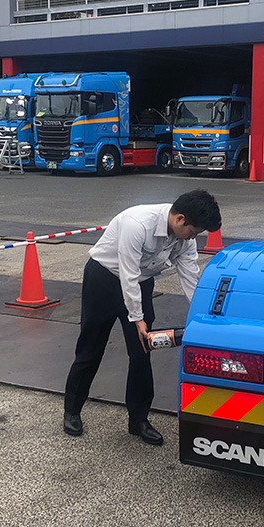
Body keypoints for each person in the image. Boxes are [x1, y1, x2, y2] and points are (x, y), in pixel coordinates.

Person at [63, 189, 222, 445]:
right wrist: (137, 318)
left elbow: (190, 277)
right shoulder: (136, 223)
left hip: (142, 283)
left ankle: (138, 420)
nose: (194, 237)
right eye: (194, 231)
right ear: (179, 218)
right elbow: (127, 273)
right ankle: (72, 410)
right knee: (90, 349)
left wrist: (202, 314)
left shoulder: (184, 239)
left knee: (142, 351)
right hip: (103, 279)